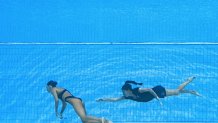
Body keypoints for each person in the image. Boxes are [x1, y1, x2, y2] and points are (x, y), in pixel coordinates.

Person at [96, 77, 201, 105]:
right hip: (156, 94)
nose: (123, 93)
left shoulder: (138, 90)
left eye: (124, 91)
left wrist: (157, 99)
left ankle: (188, 80)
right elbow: (115, 100)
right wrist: (103, 99)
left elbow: (150, 90)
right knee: (176, 93)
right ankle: (191, 91)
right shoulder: (128, 96)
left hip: (157, 91)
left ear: (128, 90)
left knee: (177, 92)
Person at [46, 80, 112, 123]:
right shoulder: (60, 89)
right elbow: (64, 104)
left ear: (50, 86)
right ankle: (103, 121)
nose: (46, 89)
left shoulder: (53, 89)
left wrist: (56, 111)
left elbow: (56, 100)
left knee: (84, 118)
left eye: (47, 88)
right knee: (84, 120)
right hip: (79, 100)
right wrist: (61, 113)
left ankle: (104, 121)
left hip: (75, 102)